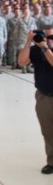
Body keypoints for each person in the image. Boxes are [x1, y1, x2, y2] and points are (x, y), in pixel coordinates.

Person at [18, 25, 53, 174]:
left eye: (51, 37)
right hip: (44, 96)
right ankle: (51, 162)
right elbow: (22, 61)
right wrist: (28, 43)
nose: (48, 40)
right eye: (46, 37)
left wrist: (45, 48)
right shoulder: (36, 50)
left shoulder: (44, 49)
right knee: (48, 131)